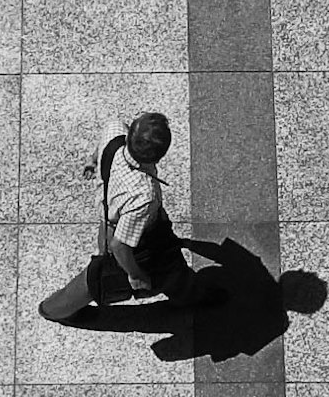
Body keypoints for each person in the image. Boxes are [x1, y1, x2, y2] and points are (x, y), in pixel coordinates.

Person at [36, 110, 221, 324]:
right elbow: (119, 245)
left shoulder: (114, 130)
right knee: (169, 271)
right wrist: (136, 275)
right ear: (159, 156)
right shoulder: (143, 195)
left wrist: (93, 160)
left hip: (108, 216)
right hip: (140, 236)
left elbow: (101, 149)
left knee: (100, 268)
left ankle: (52, 308)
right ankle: (53, 310)